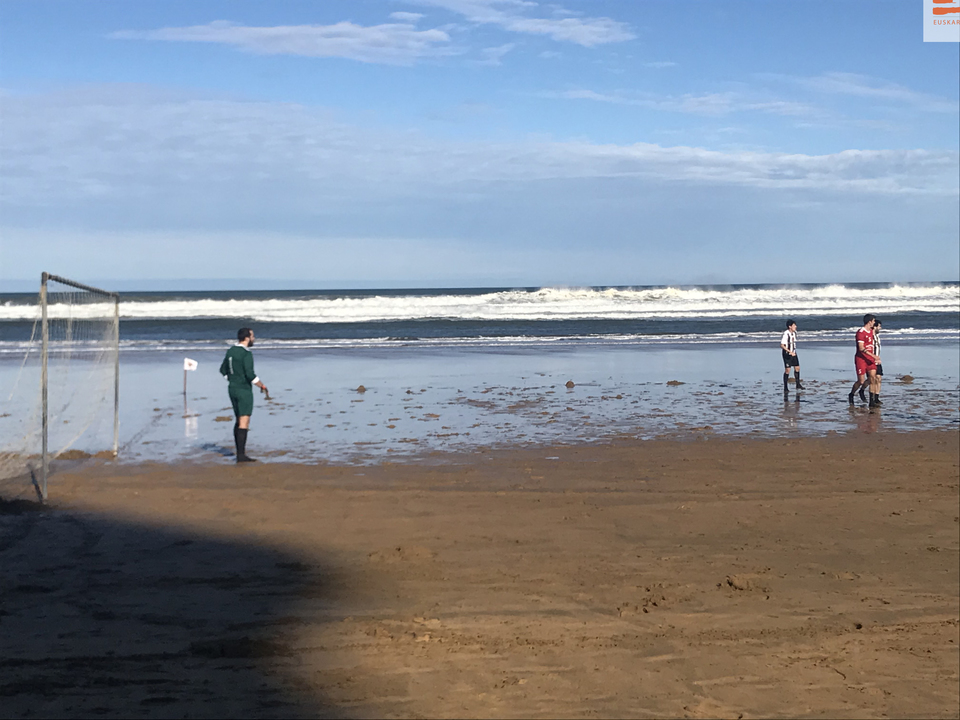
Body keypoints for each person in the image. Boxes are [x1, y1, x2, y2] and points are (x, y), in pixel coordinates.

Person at [220, 328, 269, 462]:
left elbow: (223, 370)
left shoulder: (231, 351)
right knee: (244, 420)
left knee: (238, 419)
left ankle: (239, 452)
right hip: (243, 390)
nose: (254, 338)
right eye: (252, 336)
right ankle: (241, 455)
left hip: (232, 388)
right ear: (247, 338)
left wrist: (232, 379)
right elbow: (250, 374)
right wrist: (262, 386)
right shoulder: (246, 353)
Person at [849, 314, 880, 407]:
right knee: (861, 381)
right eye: (873, 321)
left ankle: (871, 401)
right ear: (869, 322)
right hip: (861, 358)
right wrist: (873, 356)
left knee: (872, 378)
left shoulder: (871, 331)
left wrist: (876, 356)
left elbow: (877, 331)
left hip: (870, 358)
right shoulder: (861, 332)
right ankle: (852, 394)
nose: (874, 323)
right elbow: (861, 348)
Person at [780, 319, 804, 392]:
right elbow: (782, 345)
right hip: (787, 354)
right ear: (790, 326)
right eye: (794, 325)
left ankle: (798, 384)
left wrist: (793, 351)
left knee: (797, 368)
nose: (795, 326)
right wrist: (789, 352)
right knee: (788, 370)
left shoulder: (794, 333)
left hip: (793, 353)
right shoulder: (786, 334)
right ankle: (785, 387)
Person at [873, 319, 883, 403]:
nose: (880, 328)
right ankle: (863, 390)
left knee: (879, 378)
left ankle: (876, 397)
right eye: (879, 326)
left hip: (877, 360)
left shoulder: (877, 336)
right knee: (872, 379)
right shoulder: (870, 337)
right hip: (871, 360)